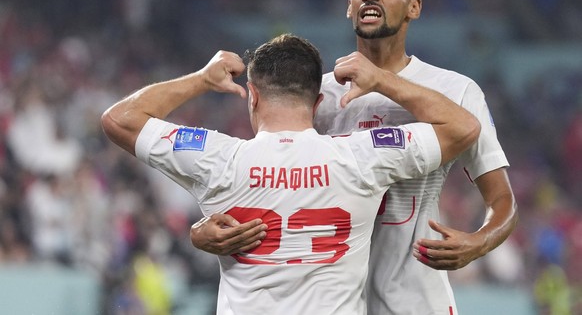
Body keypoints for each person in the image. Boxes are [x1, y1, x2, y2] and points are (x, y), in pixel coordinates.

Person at [189, 0, 518, 315]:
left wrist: (479, 242)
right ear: (349, 6)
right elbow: (262, 178)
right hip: (333, 303)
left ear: (415, 7)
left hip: (416, 301)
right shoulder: (318, 95)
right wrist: (200, 230)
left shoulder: (456, 92)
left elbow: (502, 201)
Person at [101, 33, 480, 315]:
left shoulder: (218, 159)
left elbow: (119, 120)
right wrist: (383, 80)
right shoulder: (362, 155)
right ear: (318, 103)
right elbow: (463, 127)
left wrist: (201, 79)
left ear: (252, 95)